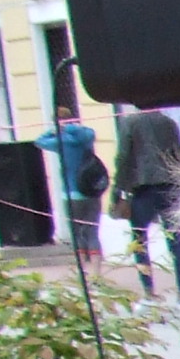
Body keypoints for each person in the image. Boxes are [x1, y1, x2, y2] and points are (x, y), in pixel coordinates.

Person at [113, 104, 180, 300]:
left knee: (139, 242)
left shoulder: (130, 123)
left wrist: (118, 189)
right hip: (170, 187)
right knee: (176, 242)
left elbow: (123, 157)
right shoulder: (169, 122)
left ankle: (148, 293)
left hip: (143, 188)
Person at [42, 110, 105, 263]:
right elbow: (90, 133)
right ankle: (97, 272)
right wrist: (73, 126)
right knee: (93, 233)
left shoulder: (61, 141)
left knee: (77, 234)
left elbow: (40, 141)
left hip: (71, 194)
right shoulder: (87, 136)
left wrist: (54, 130)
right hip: (91, 191)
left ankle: (82, 269)